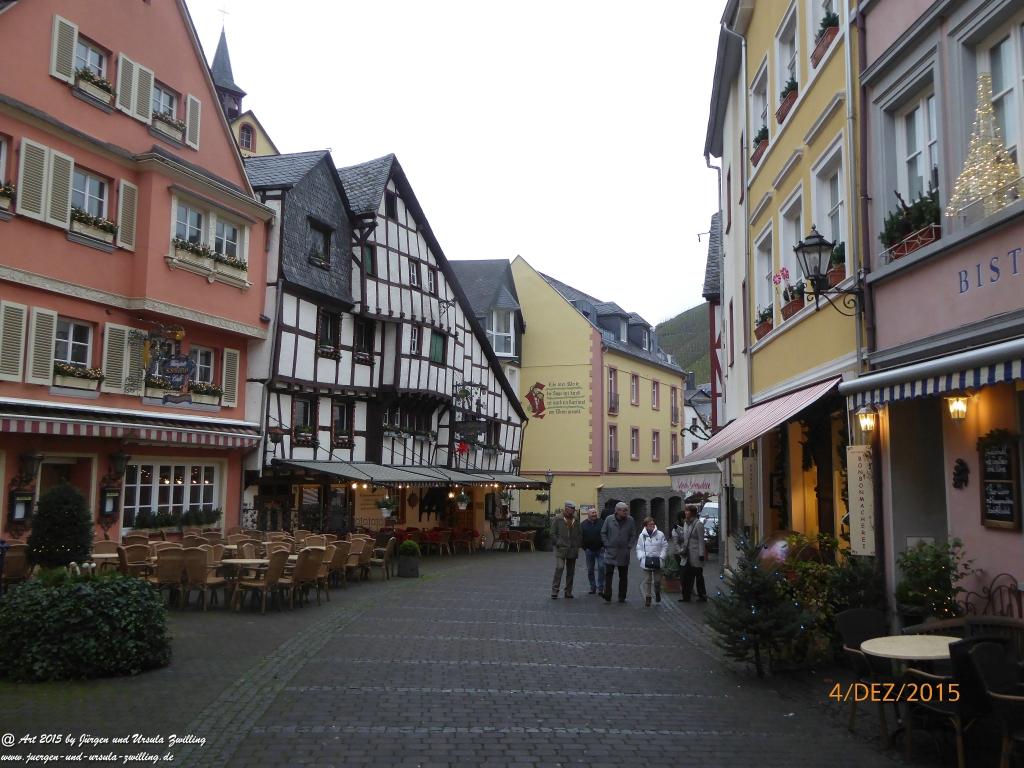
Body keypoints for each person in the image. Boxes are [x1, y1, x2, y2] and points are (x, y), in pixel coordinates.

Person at [600, 502, 636, 603]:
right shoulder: (609, 519)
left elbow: (633, 535)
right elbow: (603, 532)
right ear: (617, 511)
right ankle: (607, 595)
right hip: (611, 551)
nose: (625, 512)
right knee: (608, 575)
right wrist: (607, 543)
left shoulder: (630, 520)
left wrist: (629, 546)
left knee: (623, 576)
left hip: (623, 552)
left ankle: (622, 596)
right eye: (623, 510)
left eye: (626, 510)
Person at [672, 504, 707, 602]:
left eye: (687, 511)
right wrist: (677, 529)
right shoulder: (686, 524)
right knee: (686, 576)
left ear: (692, 513)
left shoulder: (698, 524)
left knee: (698, 575)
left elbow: (701, 540)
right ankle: (686, 596)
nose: (686, 512)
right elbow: (684, 536)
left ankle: (702, 595)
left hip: (696, 554)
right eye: (685, 511)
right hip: (687, 554)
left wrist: (701, 554)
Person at [550, 501, 582, 599]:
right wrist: (558, 542)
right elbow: (552, 533)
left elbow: (580, 533)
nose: (573, 511)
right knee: (559, 568)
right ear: (566, 509)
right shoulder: (558, 518)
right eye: (571, 509)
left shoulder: (575, 519)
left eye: (573, 509)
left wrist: (577, 544)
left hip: (572, 549)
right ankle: (555, 591)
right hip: (561, 548)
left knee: (571, 571)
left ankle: (568, 592)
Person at [635, 516, 668, 607]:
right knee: (647, 580)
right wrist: (641, 557)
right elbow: (639, 548)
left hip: (658, 560)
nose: (652, 526)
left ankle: (657, 592)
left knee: (657, 581)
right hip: (646, 561)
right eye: (650, 524)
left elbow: (665, 546)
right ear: (645, 526)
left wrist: (662, 557)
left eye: (653, 524)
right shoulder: (642, 536)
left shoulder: (660, 534)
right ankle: (648, 598)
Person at [580, 507, 605, 595]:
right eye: (592, 513)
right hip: (589, 550)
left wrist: (604, 545)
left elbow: (605, 534)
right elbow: (580, 537)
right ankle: (593, 587)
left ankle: (601, 587)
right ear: (588, 514)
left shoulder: (602, 522)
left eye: (595, 512)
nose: (594, 514)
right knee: (590, 569)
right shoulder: (583, 524)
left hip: (600, 549)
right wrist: (584, 547)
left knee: (602, 567)